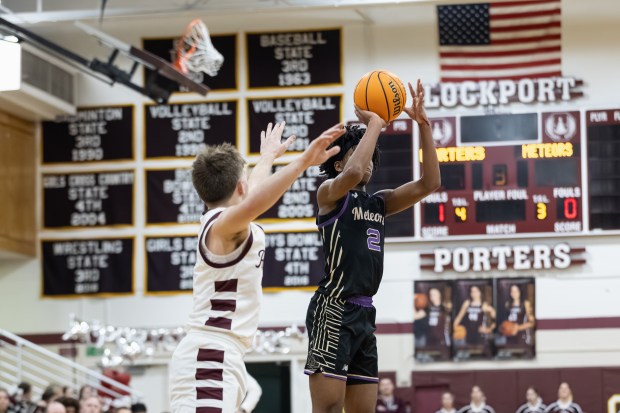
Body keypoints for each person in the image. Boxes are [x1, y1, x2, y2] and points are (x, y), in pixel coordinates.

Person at [168, 120, 345, 413]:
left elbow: (252, 195)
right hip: (209, 358)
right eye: (247, 177)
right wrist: (302, 162)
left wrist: (267, 159)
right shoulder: (223, 226)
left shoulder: (223, 219)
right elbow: (253, 203)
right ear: (241, 186)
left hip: (220, 356)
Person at [304, 80, 441, 413]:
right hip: (332, 308)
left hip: (365, 313)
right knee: (329, 409)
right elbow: (351, 174)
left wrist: (423, 126)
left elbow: (430, 183)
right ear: (338, 163)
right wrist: (376, 124)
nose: (368, 164)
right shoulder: (329, 194)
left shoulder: (380, 203)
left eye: (371, 160)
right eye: (359, 154)